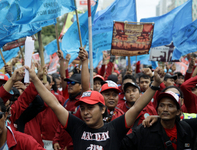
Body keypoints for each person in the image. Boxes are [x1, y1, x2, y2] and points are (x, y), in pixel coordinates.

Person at [25, 47, 165, 149]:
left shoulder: (115, 128)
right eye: (83, 108)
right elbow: (54, 104)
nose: (86, 112)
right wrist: (35, 79)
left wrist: (156, 84)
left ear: (102, 108)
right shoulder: (76, 127)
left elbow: (137, 107)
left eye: (91, 108)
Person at [121, 91, 194, 150]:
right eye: (161, 106)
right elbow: (123, 144)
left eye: (170, 106)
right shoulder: (146, 128)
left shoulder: (186, 129)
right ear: (157, 110)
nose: (165, 109)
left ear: (178, 111)